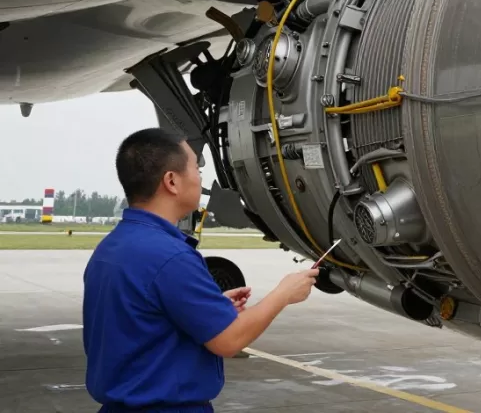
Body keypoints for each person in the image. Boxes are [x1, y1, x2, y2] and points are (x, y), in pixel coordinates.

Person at [83, 128, 321, 412]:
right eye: (196, 168)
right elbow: (229, 341)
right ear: (171, 181)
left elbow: (142, 321)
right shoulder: (171, 257)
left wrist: (212, 309)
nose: (200, 178)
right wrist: (284, 294)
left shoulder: (111, 248)